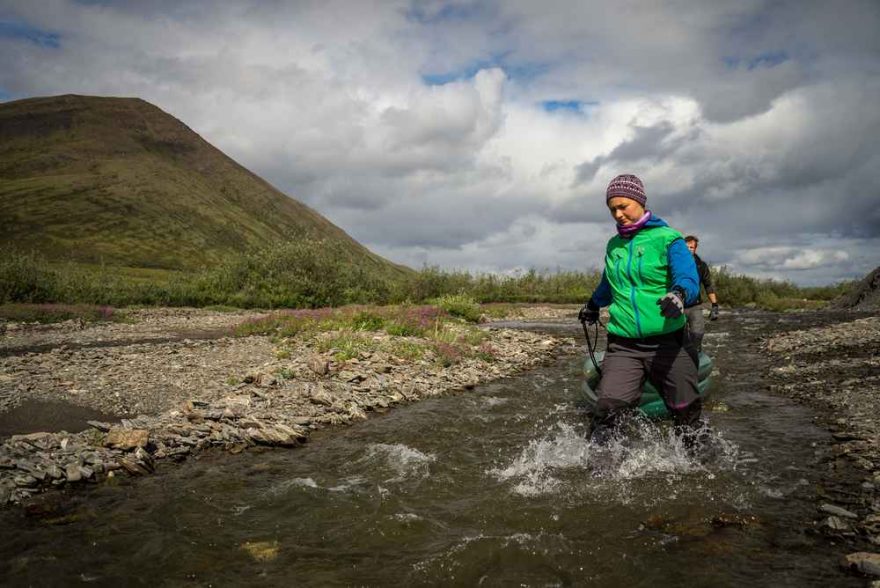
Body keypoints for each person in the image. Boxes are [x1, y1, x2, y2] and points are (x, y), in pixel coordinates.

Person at [578, 173, 703, 446]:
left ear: (640, 202)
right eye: (612, 209)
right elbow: (608, 285)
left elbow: (688, 278)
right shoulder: (614, 246)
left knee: (687, 415)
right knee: (608, 412)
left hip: (669, 343)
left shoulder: (669, 239)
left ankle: (701, 463)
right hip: (624, 345)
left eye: (623, 206)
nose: (618, 214)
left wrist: (679, 295)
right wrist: (592, 305)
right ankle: (602, 467)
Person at [683, 235, 719, 353]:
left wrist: (714, 305)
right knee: (678, 336)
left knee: (698, 333)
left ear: (695, 249)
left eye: (691, 247)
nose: (689, 250)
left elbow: (708, 285)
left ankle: (696, 354)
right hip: (679, 306)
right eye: (686, 247)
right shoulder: (675, 263)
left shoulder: (701, 265)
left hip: (695, 305)